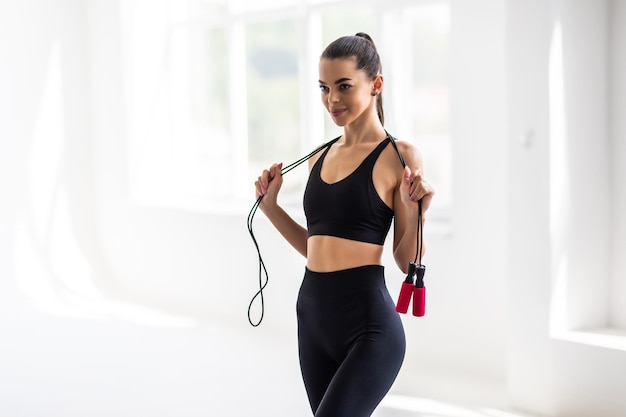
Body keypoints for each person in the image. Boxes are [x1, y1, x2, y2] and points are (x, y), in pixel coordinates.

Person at [254, 32, 435, 417]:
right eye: (324, 88)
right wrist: (270, 208)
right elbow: (316, 246)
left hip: (369, 327)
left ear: (376, 85)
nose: (332, 100)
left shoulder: (399, 156)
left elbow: (406, 260)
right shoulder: (318, 156)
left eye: (344, 86)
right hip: (313, 319)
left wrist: (418, 210)